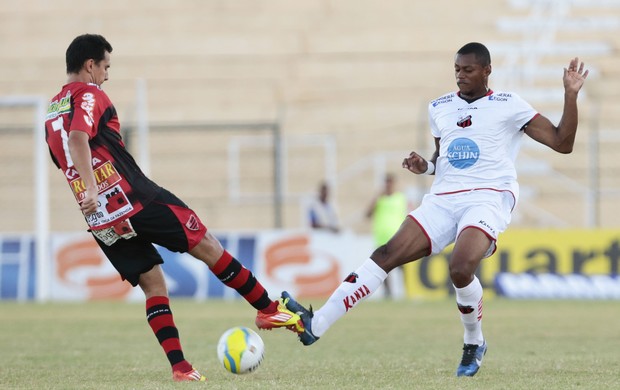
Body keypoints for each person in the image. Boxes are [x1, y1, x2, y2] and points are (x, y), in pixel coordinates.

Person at [282, 42, 588, 377]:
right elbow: (444, 159)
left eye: (468, 70)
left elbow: (563, 143)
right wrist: (425, 167)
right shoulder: (439, 107)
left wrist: (570, 96)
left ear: (487, 70)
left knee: (459, 268)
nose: (460, 76)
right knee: (385, 254)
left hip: (487, 197)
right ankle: (317, 324)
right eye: (456, 69)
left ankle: (474, 341)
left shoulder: (509, 105)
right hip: (443, 198)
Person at [44, 34, 302, 382]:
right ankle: (268, 310)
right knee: (207, 244)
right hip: (134, 198)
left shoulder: (51, 111)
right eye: (105, 67)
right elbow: (78, 139)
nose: (107, 75)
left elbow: (65, 160)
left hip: (101, 218)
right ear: (90, 65)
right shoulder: (90, 94)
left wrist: (90, 192)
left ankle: (181, 369)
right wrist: (95, 185)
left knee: (153, 285)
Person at [365, 173, 408, 298]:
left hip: (398, 238)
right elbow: (367, 214)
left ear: (394, 183)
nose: (388, 185)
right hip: (382, 239)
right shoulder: (379, 199)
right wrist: (376, 198)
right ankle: (388, 293)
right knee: (383, 269)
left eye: (390, 182)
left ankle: (406, 291)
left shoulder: (400, 198)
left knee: (403, 267)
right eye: (386, 182)